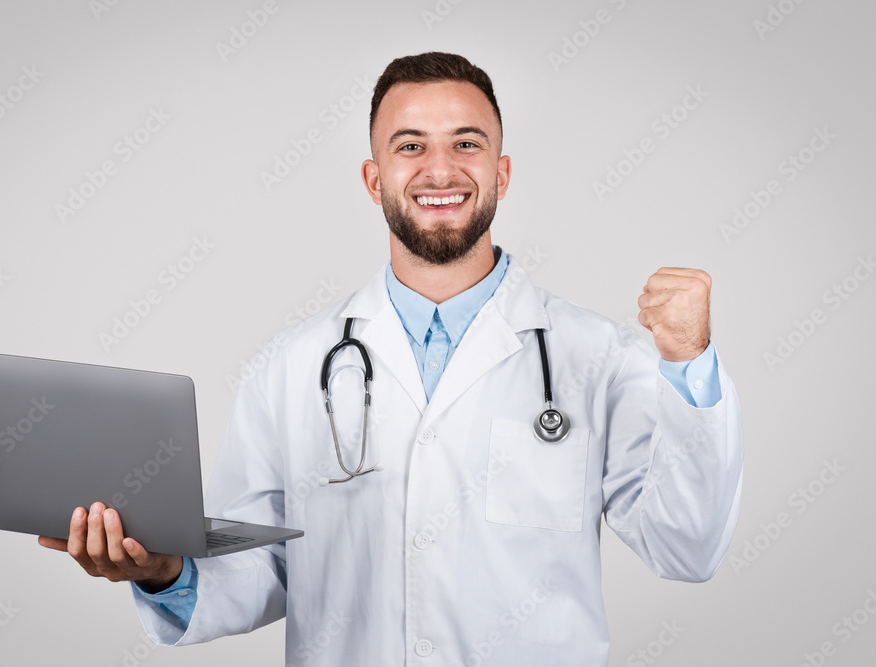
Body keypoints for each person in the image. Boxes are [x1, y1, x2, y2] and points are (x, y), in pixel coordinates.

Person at [40, 52, 743, 666]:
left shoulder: (597, 357)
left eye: (466, 143)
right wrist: (166, 571)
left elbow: (686, 548)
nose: (440, 168)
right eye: (410, 146)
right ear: (374, 180)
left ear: (501, 172)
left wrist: (690, 365)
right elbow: (269, 567)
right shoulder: (291, 367)